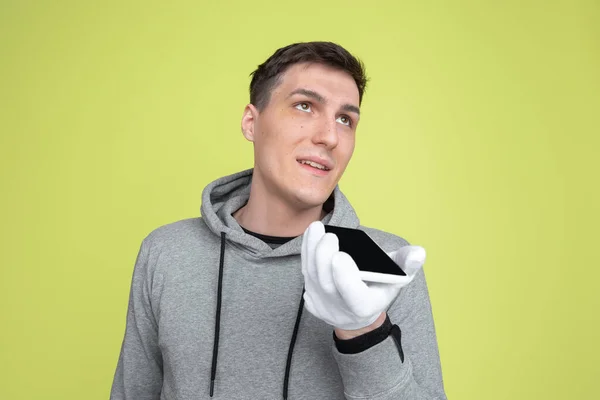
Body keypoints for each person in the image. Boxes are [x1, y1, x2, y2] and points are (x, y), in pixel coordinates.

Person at [110, 41, 446, 400]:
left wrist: (366, 332)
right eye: (305, 106)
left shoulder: (383, 264)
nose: (330, 137)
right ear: (251, 123)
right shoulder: (167, 252)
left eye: (345, 119)